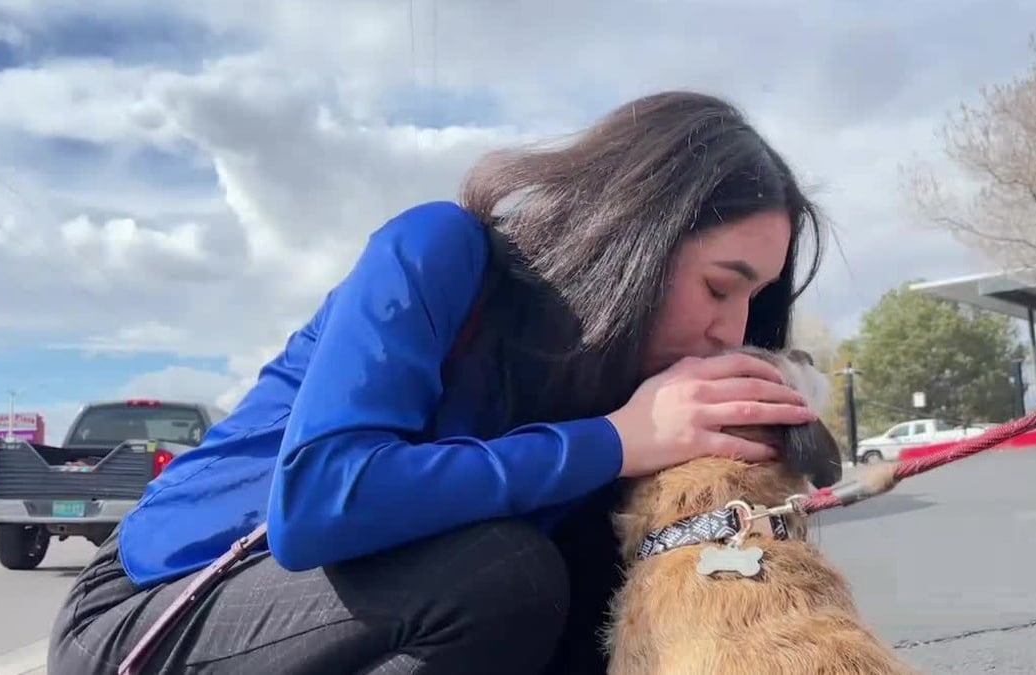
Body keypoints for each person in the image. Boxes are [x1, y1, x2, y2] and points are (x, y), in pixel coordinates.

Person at [47, 89, 826, 675]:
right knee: (503, 572)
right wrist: (614, 440)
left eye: (754, 301)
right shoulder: (440, 252)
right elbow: (318, 501)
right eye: (721, 287)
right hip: (155, 611)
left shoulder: (615, 387)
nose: (730, 328)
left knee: (589, 588)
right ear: (636, 239)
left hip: (357, 618)